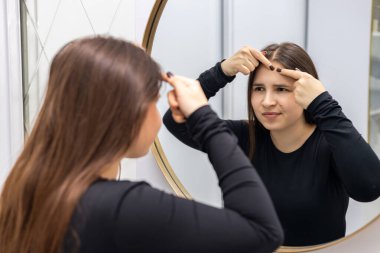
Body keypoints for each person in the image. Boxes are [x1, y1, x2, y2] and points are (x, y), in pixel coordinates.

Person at [0, 36, 283, 253]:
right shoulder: (122, 208)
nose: (157, 117)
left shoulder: (29, 187)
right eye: (153, 101)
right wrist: (203, 116)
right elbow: (262, 232)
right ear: (127, 112)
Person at [163, 42, 380, 246]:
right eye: (258, 89)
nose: (267, 102)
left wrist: (323, 103)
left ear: (307, 92)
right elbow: (175, 120)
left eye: (281, 89)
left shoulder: (331, 143)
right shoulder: (244, 137)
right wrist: (222, 72)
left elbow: (369, 188)